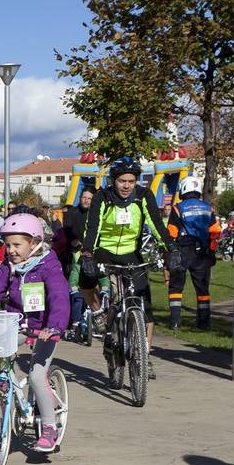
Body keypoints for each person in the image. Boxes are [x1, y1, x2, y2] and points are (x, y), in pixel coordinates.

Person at [0, 213, 71, 450]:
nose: (11, 250)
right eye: (8, 245)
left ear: (34, 243)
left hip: (45, 329)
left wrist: (53, 326)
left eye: (17, 245)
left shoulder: (49, 266)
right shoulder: (9, 267)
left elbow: (59, 297)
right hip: (17, 323)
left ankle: (48, 427)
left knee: (36, 376)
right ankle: (6, 389)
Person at [81, 158, 172, 374]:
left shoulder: (143, 196)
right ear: (114, 180)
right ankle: (98, 313)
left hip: (132, 252)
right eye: (122, 181)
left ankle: (144, 355)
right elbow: (93, 227)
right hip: (104, 249)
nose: (126, 186)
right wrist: (87, 253)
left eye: (131, 181)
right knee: (85, 278)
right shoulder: (103, 197)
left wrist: (171, 247)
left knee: (145, 303)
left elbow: (156, 224)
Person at [165, 175, 220, 330]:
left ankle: (175, 321)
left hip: (182, 251)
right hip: (202, 252)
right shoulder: (208, 208)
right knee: (202, 289)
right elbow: (215, 231)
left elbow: (172, 232)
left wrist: (170, 251)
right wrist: (211, 250)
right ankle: (204, 323)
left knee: (176, 287)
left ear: (183, 189)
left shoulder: (177, 208)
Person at [59, 186, 95, 278]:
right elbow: (67, 229)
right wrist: (73, 240)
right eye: (84, 197)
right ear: (80, 198)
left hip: (93, 250)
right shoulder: (72, 212)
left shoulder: (95, 213)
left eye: (89, 198)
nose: (86, 200)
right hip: (75, 250)